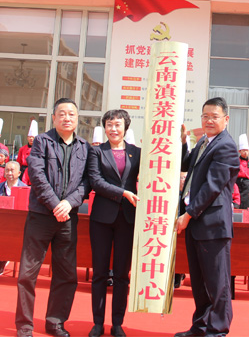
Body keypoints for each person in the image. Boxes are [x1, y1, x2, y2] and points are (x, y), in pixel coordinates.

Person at [16, 98, 90, 337]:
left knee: (66, 274)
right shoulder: (42, 141)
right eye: (62, 113)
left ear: (77, 119)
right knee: (28, 273)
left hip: (68, 217)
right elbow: (37, 175)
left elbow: (86, 182)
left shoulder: (84, 147)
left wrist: (69, 203)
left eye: (72, 114)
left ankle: (55, 322)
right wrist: (55, 204)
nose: (67, 118)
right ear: (54, 118)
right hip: (41, 215)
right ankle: (24, 325)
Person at [175, 97, 240, 337]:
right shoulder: (204, 141)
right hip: (196, 222)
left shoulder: (226, 146)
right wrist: (184, 142)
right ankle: (201, 327)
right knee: (200, 281)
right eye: (205, 116)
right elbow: (186, 165)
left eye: (214, 116)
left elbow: (212, 186)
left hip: (212, 225)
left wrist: (188, 215)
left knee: (217, 282)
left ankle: (218, 330)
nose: (209, 121)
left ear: (226, 119)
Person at [86, 109, 140, 337]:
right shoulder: (97, 151)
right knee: (99, 273)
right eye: (109, 124)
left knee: (121, 275)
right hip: (101, 219)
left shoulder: (137, 153)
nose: (113, 129)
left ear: (125, 127)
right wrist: (123, 193)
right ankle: (97, 323)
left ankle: (117, 323)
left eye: (118, 124)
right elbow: (96, 182)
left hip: (127, 219)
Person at [0, 161, 28, 276]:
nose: (9, 173)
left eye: (12, 170)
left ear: (19, 173)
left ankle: (2, 260)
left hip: (17, 224)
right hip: (0, 222)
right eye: (7, 170)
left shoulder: (25, 189)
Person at [235, 134, 249, 210]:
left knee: (246, 200)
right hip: (237, 181)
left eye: (246, 150)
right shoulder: (236, 161)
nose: (245, 152)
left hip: (247, 183)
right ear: (239, 151)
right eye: (243, 150)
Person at [18, 120, 39, 185]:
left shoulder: (39, 149)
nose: (31, 139)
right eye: (30, 137)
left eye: (33, 137)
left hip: (33, 169)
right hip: (23, 170)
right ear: (27, 138)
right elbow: (19, 161)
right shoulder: (22, 149)